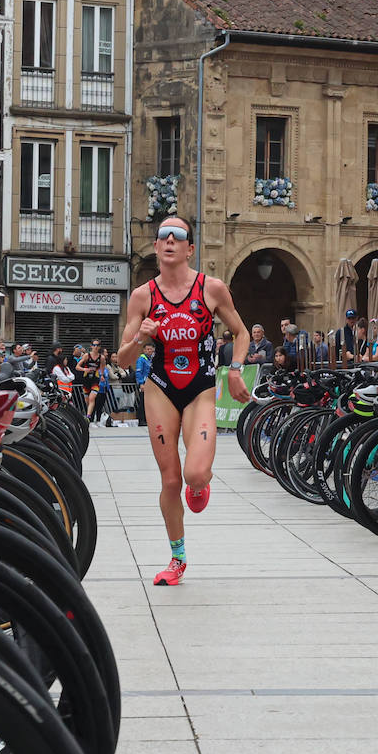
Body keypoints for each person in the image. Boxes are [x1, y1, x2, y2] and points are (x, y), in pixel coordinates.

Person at [116, 216, 249, 587]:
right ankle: (177, 559)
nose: (170, 240)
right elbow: (122, 361)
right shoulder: (143, 297)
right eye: (163, 235)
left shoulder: (212, 289)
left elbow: (240, 333)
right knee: (171, 479)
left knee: (193, 474)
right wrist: (141, 338)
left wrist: (235, 368)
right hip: (159, 387)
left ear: (190, 248)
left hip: (201, 387)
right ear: (156, 247)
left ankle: (200, 484)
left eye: (179, 236)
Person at [134, 340, 153, 426]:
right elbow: (138, 372)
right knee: (142, 402)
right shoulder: (141, 359)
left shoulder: (151, 359)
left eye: (151, 349)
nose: (150, 351)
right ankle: (141, 420)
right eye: (148, 349)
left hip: (151, 385)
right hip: (144, 384)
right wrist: (141, 383)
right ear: (144, 350)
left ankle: (147, 419)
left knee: (149, 403)